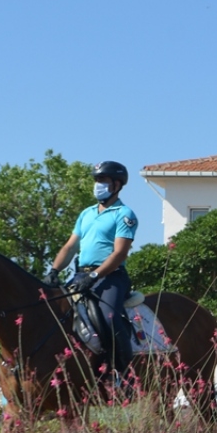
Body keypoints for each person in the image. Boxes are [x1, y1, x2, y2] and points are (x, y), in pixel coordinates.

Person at [46, 160, 138, 379]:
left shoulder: (124, 214)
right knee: (58, 311)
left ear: (116, 185)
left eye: (103, 180)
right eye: (96, 180)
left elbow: (119, 254)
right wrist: (54, 270)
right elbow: (70, 247)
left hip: (111, 277)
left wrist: (95, 275)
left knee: (108, 316)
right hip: (80, 274)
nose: (98, 184)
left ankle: (123, 372)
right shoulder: (86, 214)